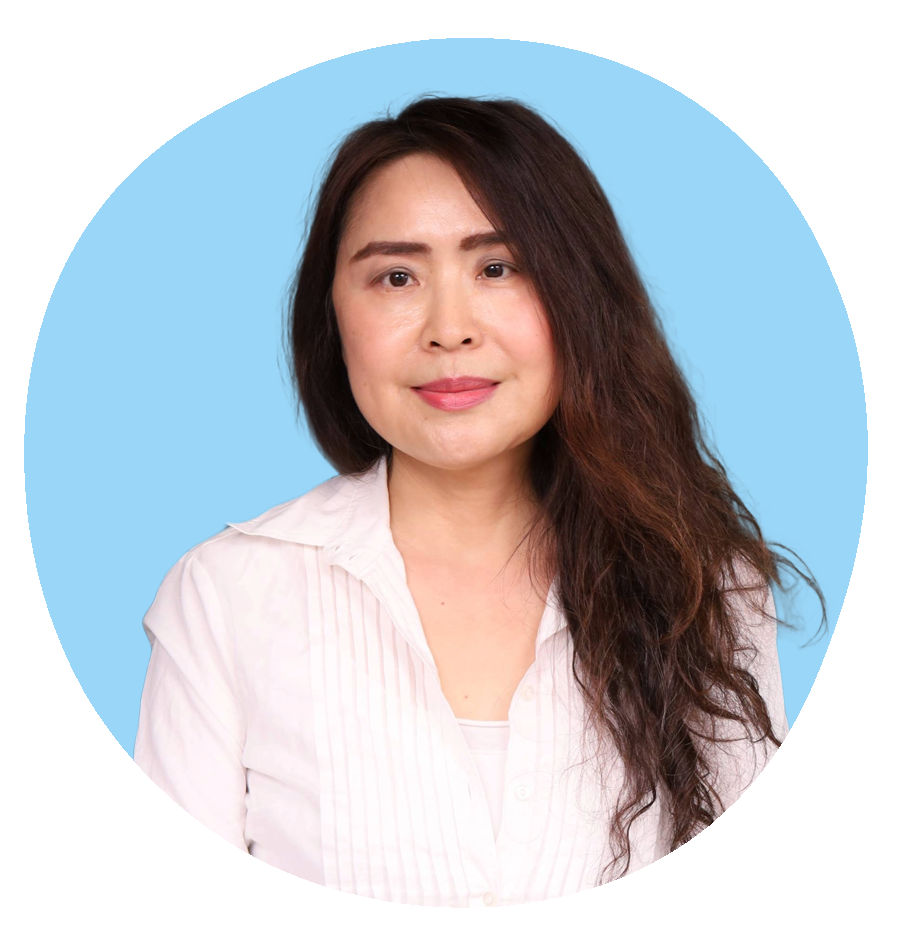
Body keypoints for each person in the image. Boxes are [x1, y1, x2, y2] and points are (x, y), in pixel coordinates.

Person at [134, 94, 823, 924]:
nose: (448, 328)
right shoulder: (227, 597)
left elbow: (754, 904)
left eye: (497, 267)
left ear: (577, 297)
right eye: (396, 276)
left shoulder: (706, 591)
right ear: (333, 315)